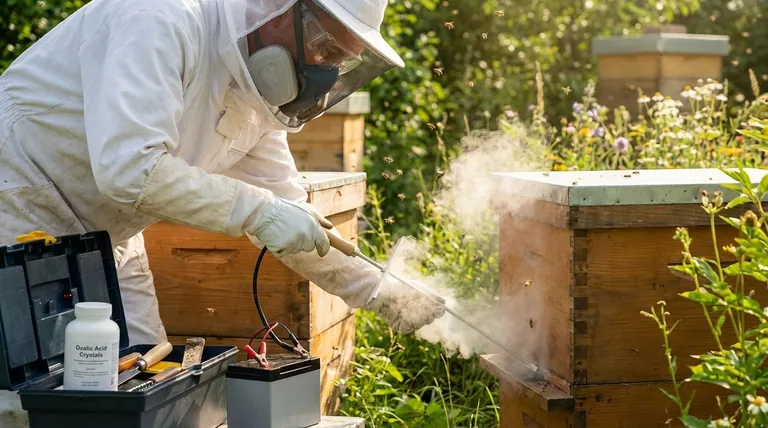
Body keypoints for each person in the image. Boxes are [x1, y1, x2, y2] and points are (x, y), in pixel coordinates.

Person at [0, 0, 445, 423]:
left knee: (151, 389)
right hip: (18, 204)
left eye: (339, 62)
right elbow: (129, 169)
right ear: (279, 9)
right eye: (325, 49)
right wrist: (257, 212)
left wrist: (379, 290)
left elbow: (293, 217)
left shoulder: (254, 96)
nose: (325, 74)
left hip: (107, 237)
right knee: (24, 400)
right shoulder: (160, 17)